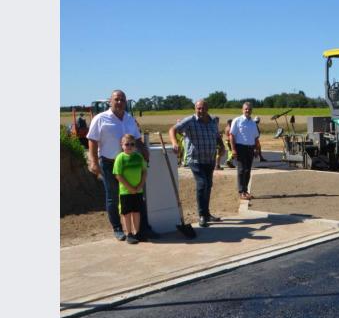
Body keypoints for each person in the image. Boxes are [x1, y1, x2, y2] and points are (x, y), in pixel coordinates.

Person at [87, 90, 157, 241]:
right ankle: (118, 229)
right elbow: (92, 140)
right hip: (109, 162)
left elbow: (137, 139)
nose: (119, 102)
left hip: (131, 163)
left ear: (126, 102)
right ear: (110, 102)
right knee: (113, 197)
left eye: (122, 100)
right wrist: (93, 161)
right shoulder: (100, 119)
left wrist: (144, 150)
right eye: (116, 99)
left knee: (138, 195)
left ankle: (143, 228)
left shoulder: (129, 118)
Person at [169, 99, 225, 228]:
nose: (201, 111)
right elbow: (172, 129)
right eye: (198, 108)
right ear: (195, 109)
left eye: (203, 108)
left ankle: (207, 213)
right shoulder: (190, 121)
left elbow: (217, 136)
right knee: (202, 183)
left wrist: (221, 146)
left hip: (209, 159)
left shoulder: (212, 122)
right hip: (195, 159)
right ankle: (201, 215)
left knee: (208, 185)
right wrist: (174, 142)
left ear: (207, 109)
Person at [113, 134, 147, 244]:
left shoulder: (139, 157)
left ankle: (137, 232)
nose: (129, 146)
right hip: (125, 192)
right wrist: (130, 188)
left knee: (136, 212)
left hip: (138, 191)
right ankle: (129, 233)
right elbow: (118, 175)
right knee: (126, 213)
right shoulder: (120, 158)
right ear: (122, 145)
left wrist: (140, 185)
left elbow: (144, 171)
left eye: (132, 144)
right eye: (126, 144)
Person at [230, 102, 262, 200]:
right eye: (246, 109)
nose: (248, 111)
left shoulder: (253, 123)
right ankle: (241, 192)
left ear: (252, 110)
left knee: (248, 170)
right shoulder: (237, 121)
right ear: (242, 110)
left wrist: (257, 149)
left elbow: (256, 137)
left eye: (249, 109)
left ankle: (245, 191)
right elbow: (231, 135)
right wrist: (233, 149)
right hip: (240, 147)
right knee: (241, 170)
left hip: (250, 148)